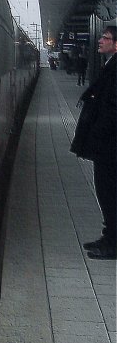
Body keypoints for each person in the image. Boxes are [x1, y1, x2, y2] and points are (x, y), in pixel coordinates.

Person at [70, 25, 117, 259]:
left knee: (110, 193)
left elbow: (112, 109)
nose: (100, 40)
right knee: (106, 192)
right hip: (107, 146)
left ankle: (113, 243)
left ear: (116, 44)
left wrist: (96, 135)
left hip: (110, 147)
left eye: (105, 38)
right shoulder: (110, 65)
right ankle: (108, 236)